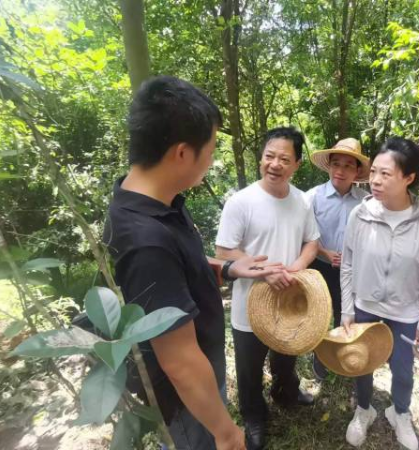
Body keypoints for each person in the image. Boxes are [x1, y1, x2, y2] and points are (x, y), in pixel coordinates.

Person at [103, 76, 282, 450]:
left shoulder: (154, 203)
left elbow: (178, 268)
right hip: (185, 398)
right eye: (212, 148)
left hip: (200, 378)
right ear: (183, 153)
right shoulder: (145, 240)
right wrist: (227, 432)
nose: (213, 158)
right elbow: (180, 362)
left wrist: (228, 268)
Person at [215, 126, 320, 450]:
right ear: (261, 158)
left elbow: (312, 242)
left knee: (286, 353)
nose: (275, 164)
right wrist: (264, 271)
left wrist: (296, 269)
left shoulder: (301, 202)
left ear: (297, 164)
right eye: (269, 156)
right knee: (248, 369)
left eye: (284, 159)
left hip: (289, 301)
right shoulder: (242, 202)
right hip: (251, 305)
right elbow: (223, 253)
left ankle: (285, 391)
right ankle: (254, 416)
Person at [340, 136, 419, 449]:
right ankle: (363, 409)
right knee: (362, 363)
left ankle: (399, 412)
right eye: (374, 173)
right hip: (366, 306)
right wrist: (347, 309)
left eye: (386, 174)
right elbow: (348, 265)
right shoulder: (360, 214)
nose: (375, 180)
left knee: (402, 369)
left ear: (408, 178)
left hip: (405, 311)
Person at [304, 137, 370, 380]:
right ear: (329, 166)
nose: (340, 171)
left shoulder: (366, 201)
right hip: (320, 266)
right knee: (320, 313)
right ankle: (320, 358)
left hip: (353, 270)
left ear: (357, 171)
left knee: (346, 312)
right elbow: (303, 235)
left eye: (348, 166)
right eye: (336, 164)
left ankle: (342, 355)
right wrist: (324, 252)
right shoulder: (312, 197)